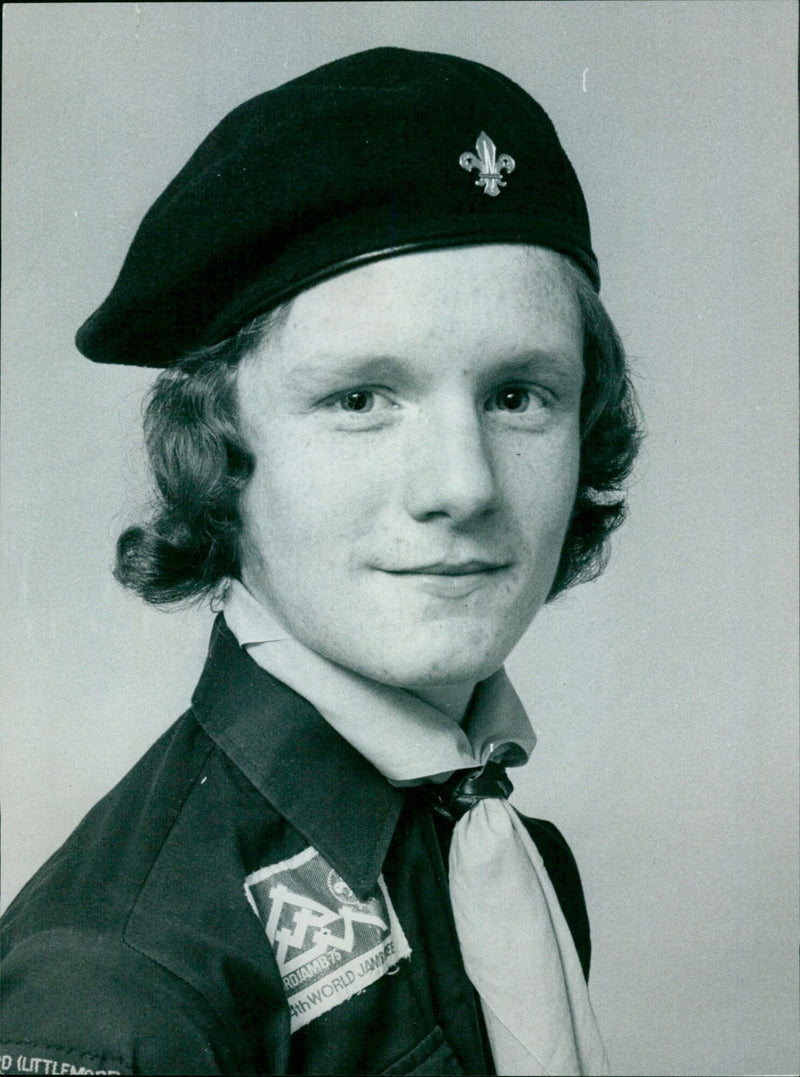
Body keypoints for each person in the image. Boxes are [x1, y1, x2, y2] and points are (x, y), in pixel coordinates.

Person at [0, 47, 639, 1076]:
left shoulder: (508, 855)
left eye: (518, 394)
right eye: (359, 400)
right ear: (218, 455)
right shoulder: (121, 985)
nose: (463, 486)